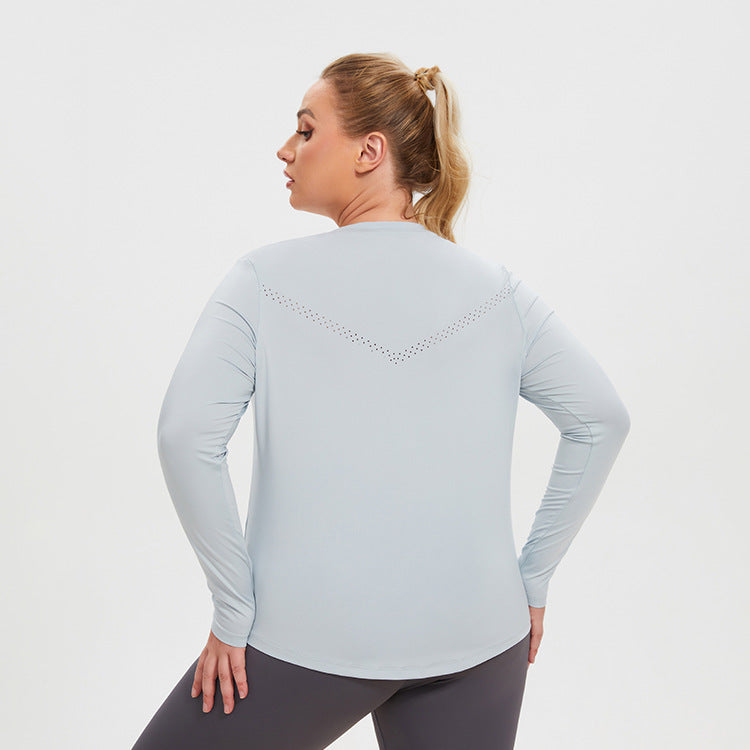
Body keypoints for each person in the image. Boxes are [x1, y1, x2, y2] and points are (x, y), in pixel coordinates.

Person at [131, 52, 630, 750]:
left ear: (370, 152)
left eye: (306, 130)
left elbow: (185, 437)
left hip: (305, 638)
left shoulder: (263, 281)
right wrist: (532, 580)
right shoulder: (500, 291)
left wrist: (233, 608)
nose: (286, 149)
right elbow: (602, 420)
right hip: (482, 636)